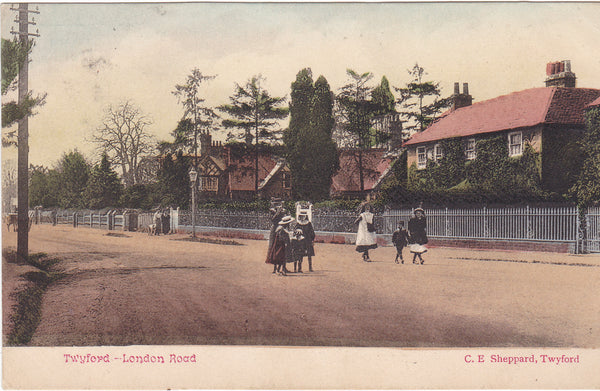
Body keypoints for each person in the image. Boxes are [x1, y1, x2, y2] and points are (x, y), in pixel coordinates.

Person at [266, 204, 286, 273]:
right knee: (274, 247)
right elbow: (272, 219)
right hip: (274, 230)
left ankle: (283, 267)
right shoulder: (272, 211)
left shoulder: (282, 211)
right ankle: (275, 268)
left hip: (280, 228)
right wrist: (277, 212)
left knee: (281, 249)